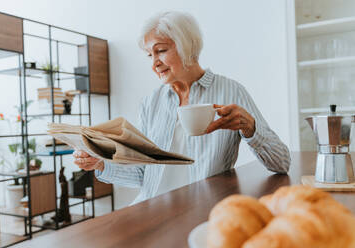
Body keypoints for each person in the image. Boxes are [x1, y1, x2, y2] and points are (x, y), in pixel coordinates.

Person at [73, 11, 290, 205]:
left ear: (188, 46)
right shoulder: (151, 103)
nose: (154, 63)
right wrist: (100, 164)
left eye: (161, 51)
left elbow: (281, 163)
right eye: (150, 55)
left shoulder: (231, 92)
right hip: (154, 209)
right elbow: (143, 174)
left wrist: (250, 128)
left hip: (204, 210)